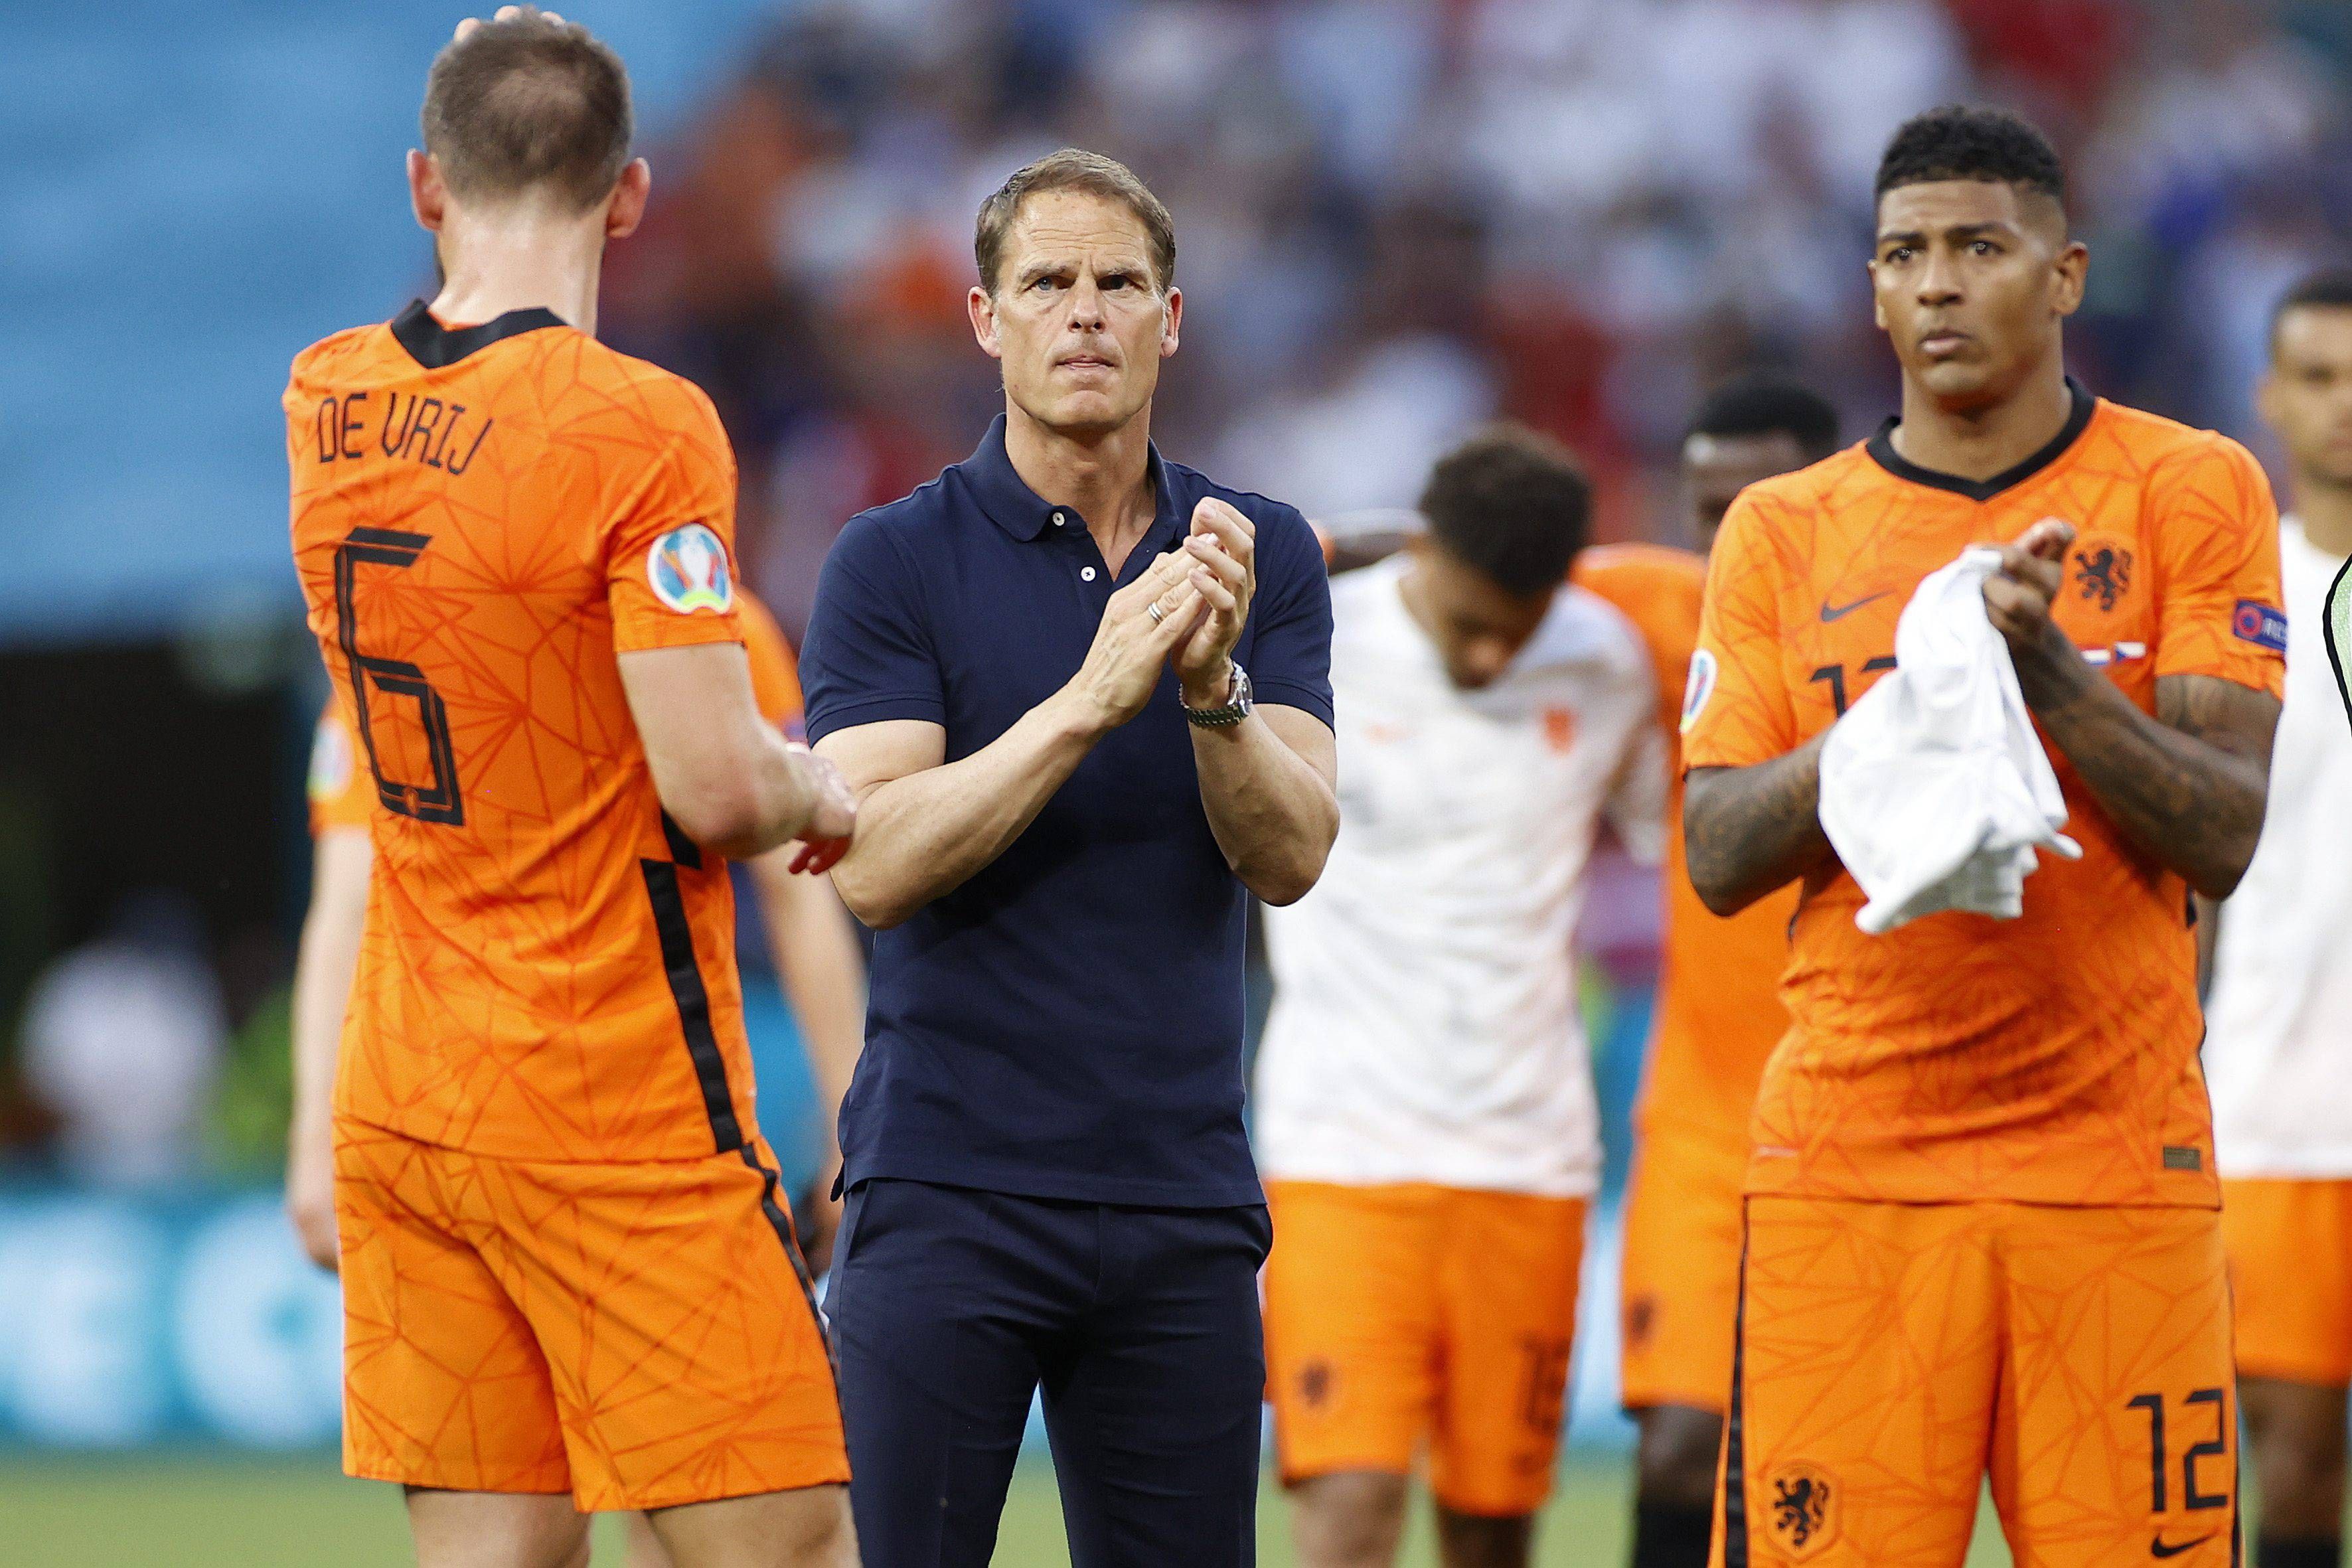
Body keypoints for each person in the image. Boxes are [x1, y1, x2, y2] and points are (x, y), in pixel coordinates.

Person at [283, 11, 860, 1567]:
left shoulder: (322, 403)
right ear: (631, 197)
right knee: (795, 1545)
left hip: (411, 1089)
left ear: (424, 185)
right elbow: (717, 789)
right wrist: (824, 786)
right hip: (607, 1094)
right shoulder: (641, 427)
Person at [1684, 105, 2284, 1567]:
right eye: (1902, 254)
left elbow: (2222, 828)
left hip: (2111, 1171)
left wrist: (2045, 676)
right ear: (1870, 288)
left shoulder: (2187, 486)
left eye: (1977, 247)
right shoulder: (1780, 526)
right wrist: (1910, 701)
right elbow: (1715, 850)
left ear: (2064, 273)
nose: (1936, 284)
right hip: (1848, 1171)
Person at [798, 147, 1338, 1565]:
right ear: (984, 318)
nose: (1083, 312)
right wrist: (1088, 703)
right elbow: (868, 860)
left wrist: (1211, 694)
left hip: (1178, 1194)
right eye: (1046, 282)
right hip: (943, 1186)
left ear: (1173, 318)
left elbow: (1292, 856)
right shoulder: (889, 559)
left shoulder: (1256, 551)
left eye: (1118, 283)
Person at [285, 588, 868, 1568]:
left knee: (508, 1543)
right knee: (726, 1519)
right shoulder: (701, 615)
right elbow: (793, 881)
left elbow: (346, 898)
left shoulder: (396, 609)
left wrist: (316, 1140)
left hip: (438, 1119)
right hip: (636, 1124)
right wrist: (858, 1122)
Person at [1255, 425, 1664, 1568]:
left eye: (1516, 629)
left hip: (1526, 1156)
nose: (1490, 656)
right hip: (1339, 1146)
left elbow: (1657, 825)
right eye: (1469, 619)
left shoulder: (1605, 660)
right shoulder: (1312, 635)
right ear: (1421, 551)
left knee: (1494, 1528)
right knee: (1345, 1517)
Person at [1573, 375, 1840, 1568]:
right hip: (1699, 1124)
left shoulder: (1899, 637)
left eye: (1757, 503)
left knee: (1816, 1468)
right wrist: (1291, 544)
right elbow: (1474, 542)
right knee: (1683, 1441)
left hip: (1852, 1121)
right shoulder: (1664, 606)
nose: (1730, 533)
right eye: (1708, 504)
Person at [2201, 268, 2352, 1568]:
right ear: (2269, 397)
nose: (2343, 403)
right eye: (2315, 375)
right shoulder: (2235, 604)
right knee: (2292, 1466)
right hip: (2274, 1105)